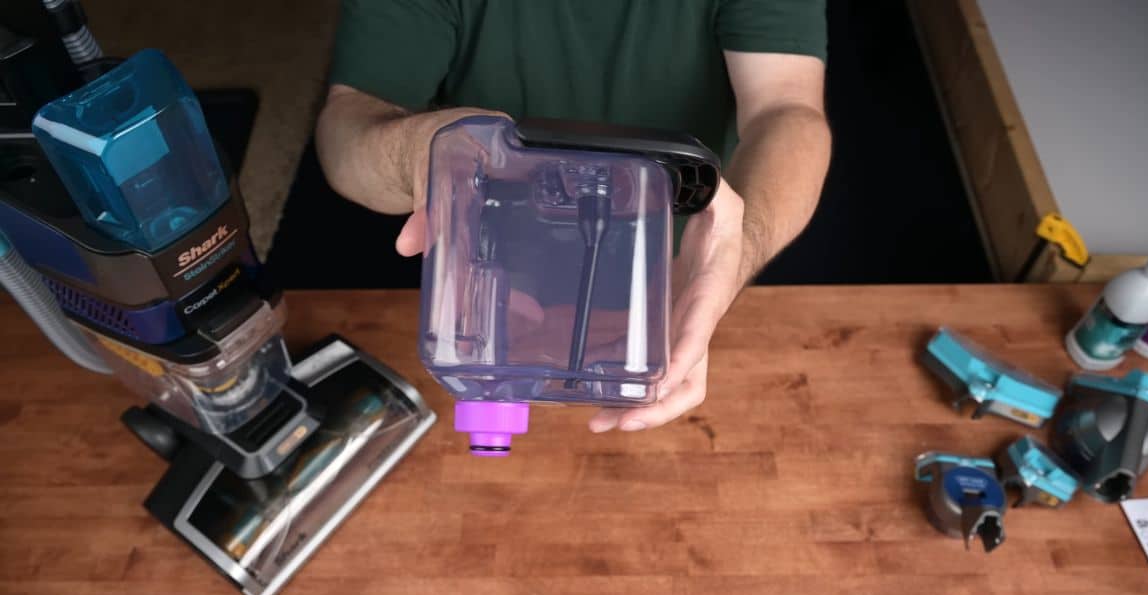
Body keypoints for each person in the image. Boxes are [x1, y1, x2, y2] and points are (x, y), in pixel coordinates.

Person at [315, 0, 831, 434]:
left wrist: (734, 250)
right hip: (481, 289)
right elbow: (345, 128)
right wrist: (420, 154)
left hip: (665, 287)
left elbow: (786, 111)